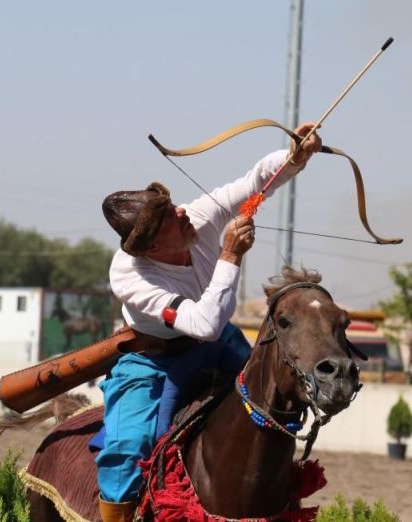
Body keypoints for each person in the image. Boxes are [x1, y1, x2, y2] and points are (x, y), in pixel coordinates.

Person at [95, 122, 322, 521]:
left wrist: (294, 155)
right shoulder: (129, 275)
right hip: (155, 360)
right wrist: (230, 256)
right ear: (150, 248)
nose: (181, 211)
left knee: (279, 404)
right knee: (127, 448)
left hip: (219, 345)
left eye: (171, 206)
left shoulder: (194, 218)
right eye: (168, 217)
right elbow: (204, 325)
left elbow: (254, 183)